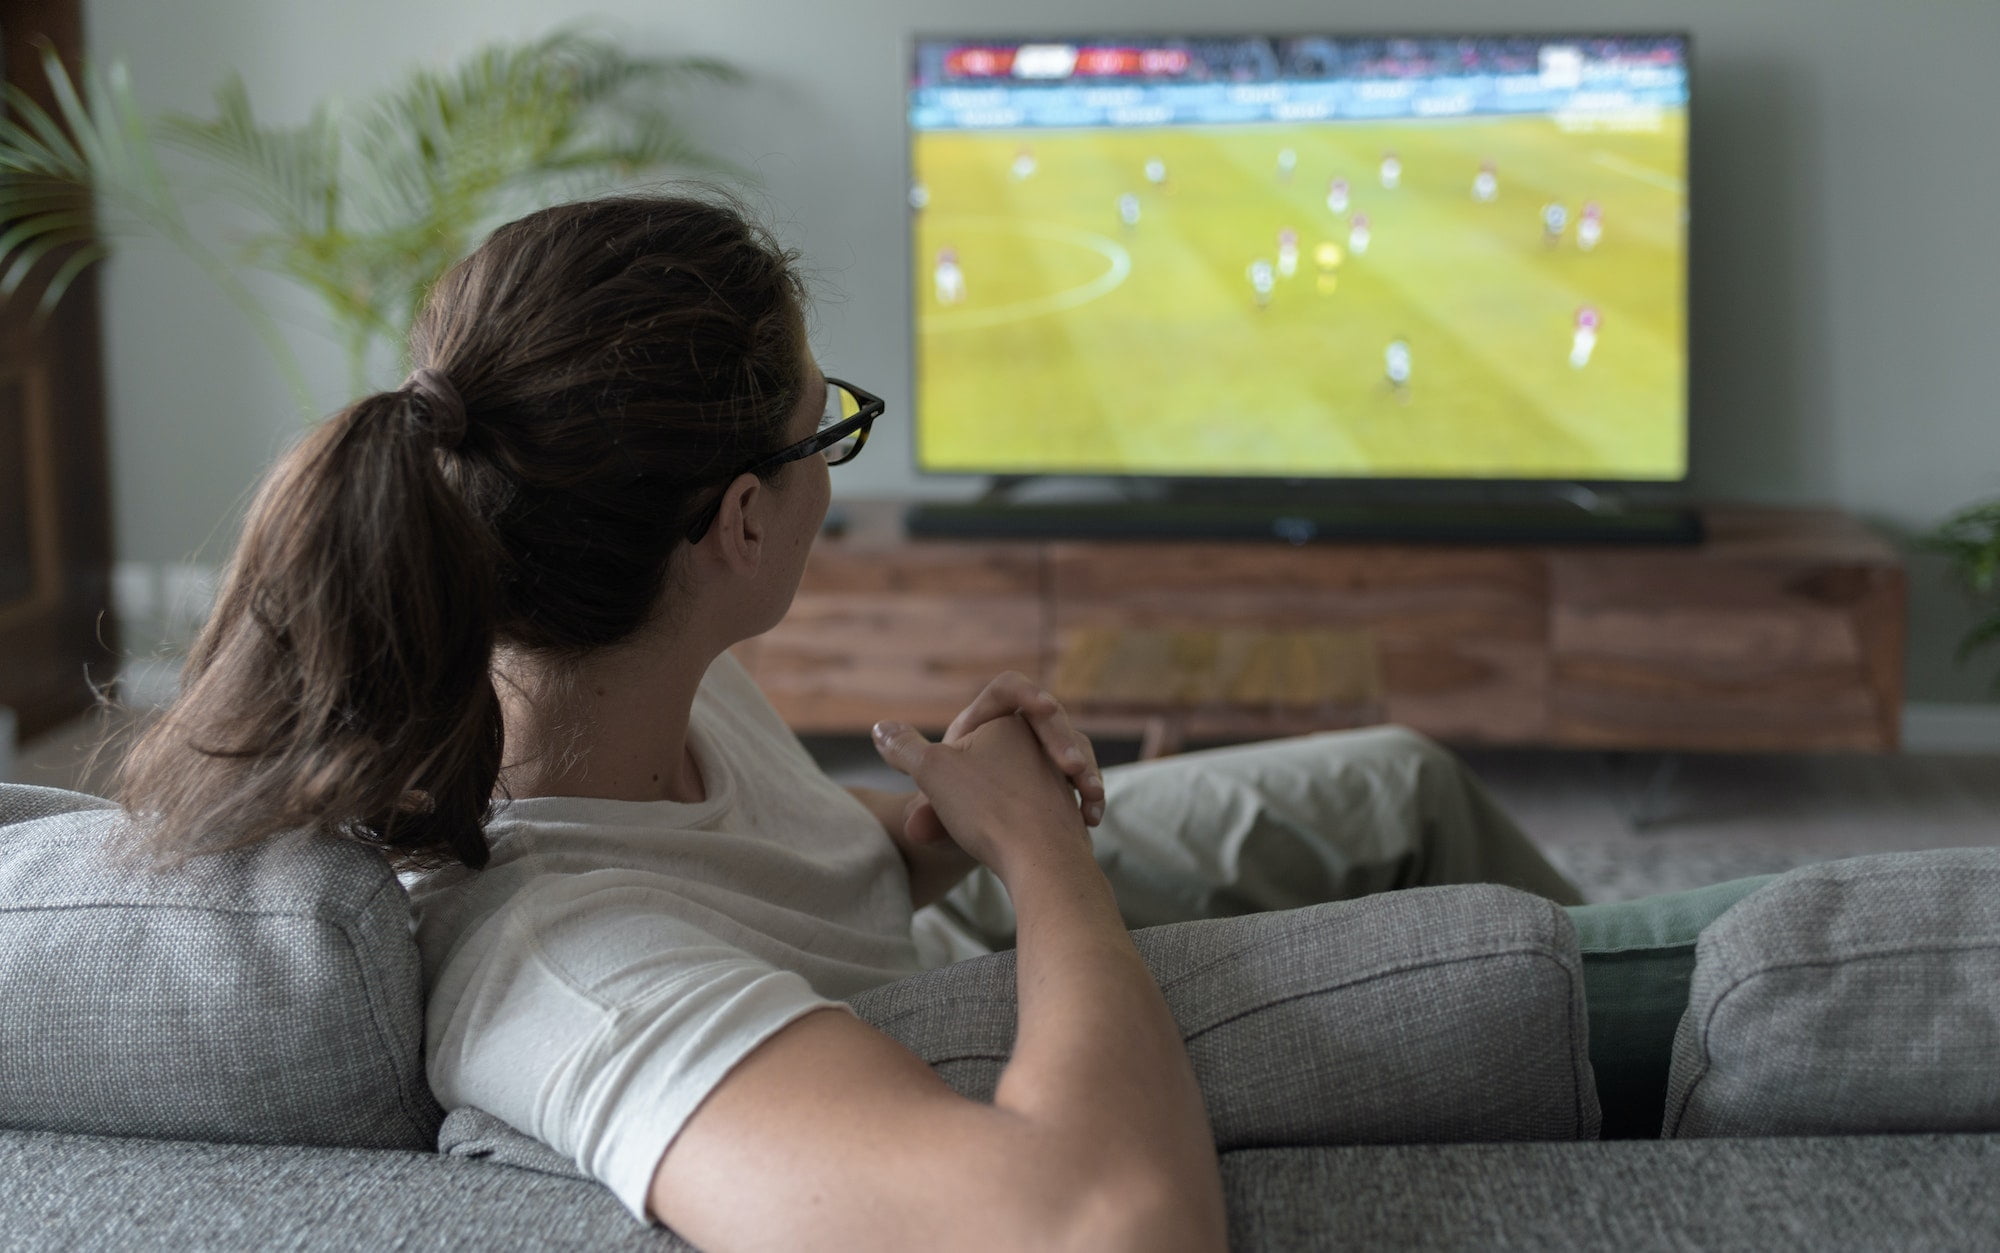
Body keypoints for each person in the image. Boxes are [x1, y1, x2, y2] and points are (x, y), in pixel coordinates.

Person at [111, 191, 1580, 1251]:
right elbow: (1105, 1228)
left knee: (1404, 781)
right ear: (741, 521)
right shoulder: (567, 977)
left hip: (939, 922)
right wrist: (1046, 866)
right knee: (1579, 971)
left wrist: (942, 835)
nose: (842, 470)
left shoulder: (613, 659)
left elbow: (757, 868)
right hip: (974, 1003)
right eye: (834, 427)